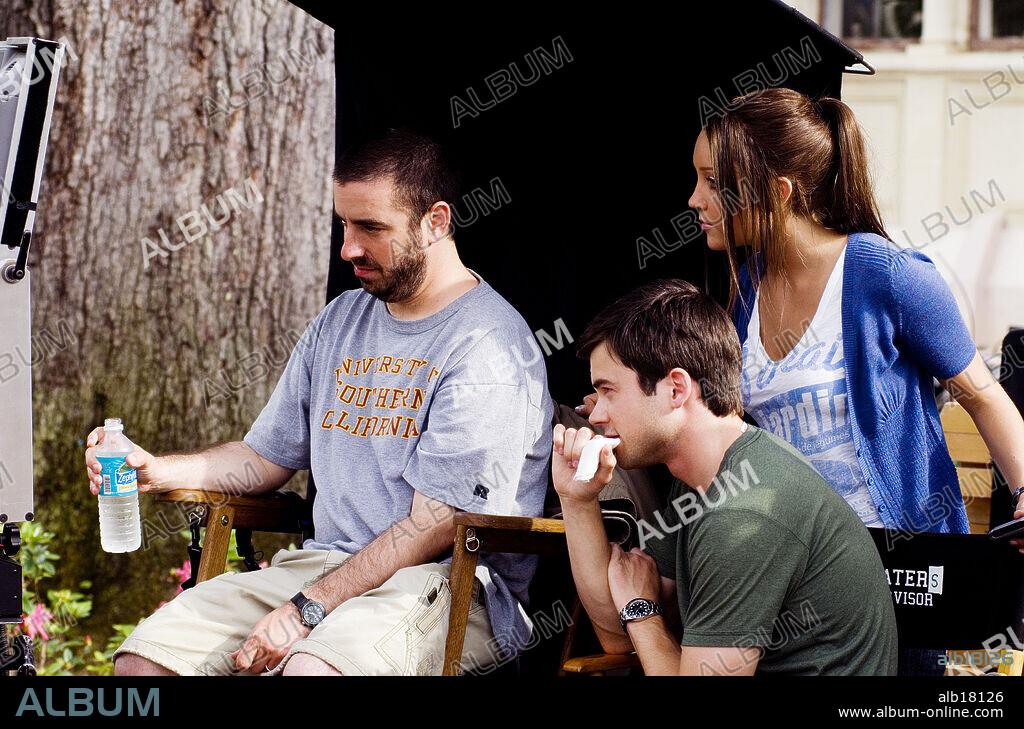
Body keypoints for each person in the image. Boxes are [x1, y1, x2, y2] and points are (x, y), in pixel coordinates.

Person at [84, 128, 553, 676]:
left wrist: (307, 610)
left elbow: (434, 526)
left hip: (447, 586)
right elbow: (263, 460)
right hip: (321, 567)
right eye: (345, 224)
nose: (348, 248)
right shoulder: (340, 319)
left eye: (371, 227)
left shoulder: (487, 346)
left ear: (436, 222)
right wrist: (154, 470)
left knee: (311, 670)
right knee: (145, 664)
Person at [554, 279, 898, 675]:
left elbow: (634, 619)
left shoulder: (743, 514)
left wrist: (643, 615)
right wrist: (577, 500)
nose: (595, 416)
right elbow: (616, 633)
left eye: (609, 391)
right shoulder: (701, 478)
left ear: (676, 389)